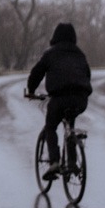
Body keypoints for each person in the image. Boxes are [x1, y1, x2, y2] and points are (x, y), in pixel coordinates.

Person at [26, 22, 93, 178]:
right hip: (80, 99)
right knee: (70, 125)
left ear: (55, 36)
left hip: (60, 98)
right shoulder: (80, 54)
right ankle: (72, 163)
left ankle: (55, 162)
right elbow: (87, 74)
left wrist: (31, 90)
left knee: (51, 126)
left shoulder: (51, 53)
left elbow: (36, 73)